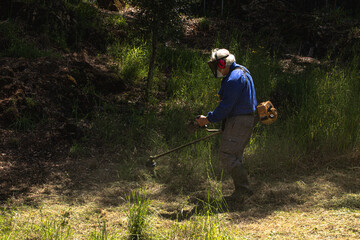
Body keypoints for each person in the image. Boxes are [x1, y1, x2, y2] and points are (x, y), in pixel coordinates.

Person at [196, 48, 257, 200]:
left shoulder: (233, 79)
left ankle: (244, 190)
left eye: (216, 65)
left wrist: (208, 119)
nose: (215, 69)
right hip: (244, 119)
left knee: (226, 155)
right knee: (235, 155)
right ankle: (241, 193)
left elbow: (225, 107)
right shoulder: (242, 71)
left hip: (239, 120)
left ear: (222, 63)